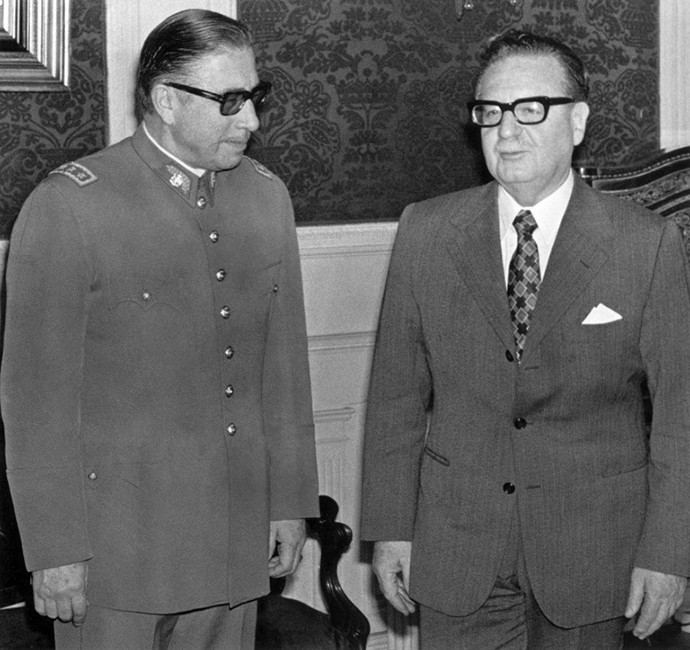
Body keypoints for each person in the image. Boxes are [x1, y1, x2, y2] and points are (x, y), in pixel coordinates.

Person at [360, 29, 690, 649]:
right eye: (489, 113)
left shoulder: (645, 245)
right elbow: (395, 401)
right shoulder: (425, 232)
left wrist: (670, 554)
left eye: (529, 109)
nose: (506, 131)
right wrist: (391, 530)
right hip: (458, 549)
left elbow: (682, 416)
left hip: (596, 555)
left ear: (578, 121)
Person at [1, 9, 318, 649]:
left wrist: (288, 502)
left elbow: (282, 368)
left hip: (234, 545)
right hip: (116, 558)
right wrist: (54, 548)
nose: (252, 121)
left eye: (255, 97)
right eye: (229, 101)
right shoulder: (70, 205)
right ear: (166, 100)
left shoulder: (266, 196)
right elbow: (36, 404)